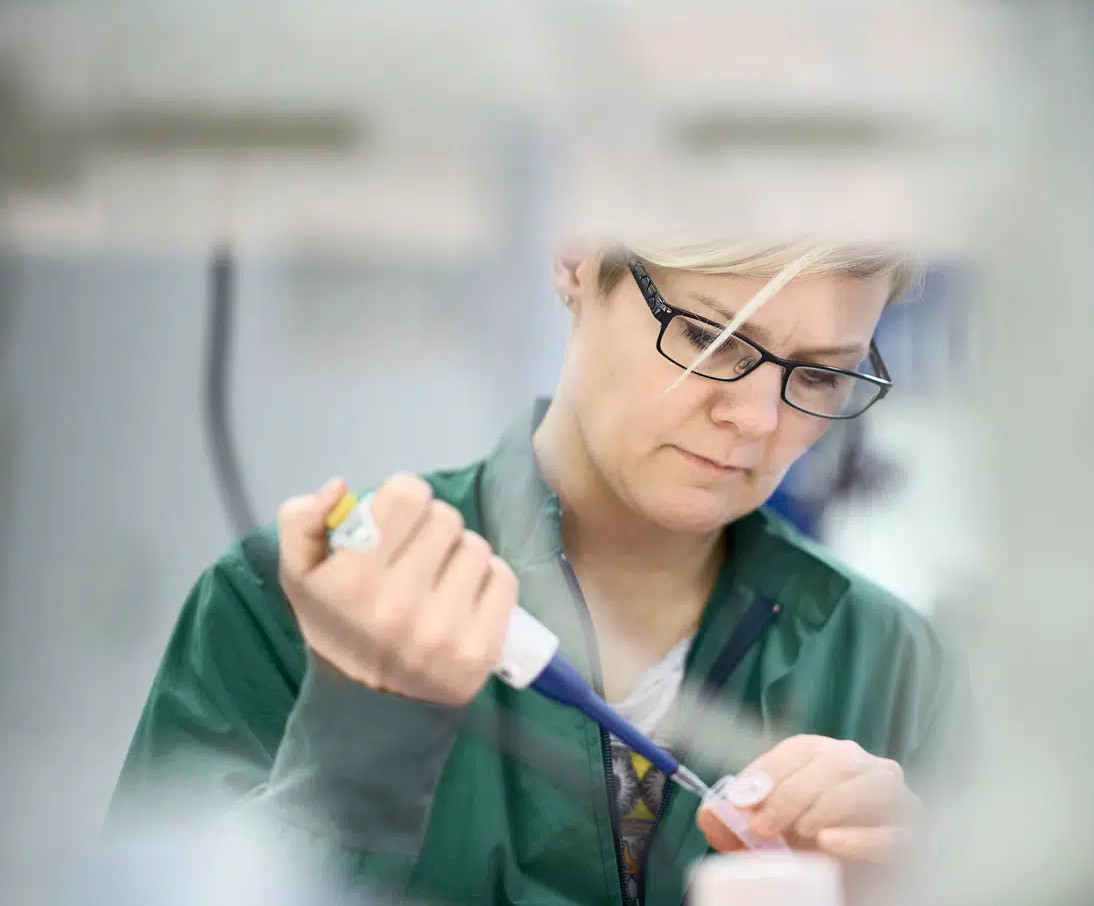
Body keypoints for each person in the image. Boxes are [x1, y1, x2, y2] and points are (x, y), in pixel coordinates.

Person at [109, 243, 961, 906]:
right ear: (578, 261)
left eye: (818, 374)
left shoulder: (891, 663)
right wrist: (357, 744)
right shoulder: (284, 605)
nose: (756, 417)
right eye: (708, 336)